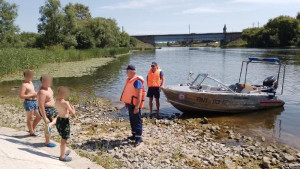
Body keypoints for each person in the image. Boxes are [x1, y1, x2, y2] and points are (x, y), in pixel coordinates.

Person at [120, 65, 146, 147]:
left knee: (137, 121)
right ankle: (134, 135)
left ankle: (139, 138)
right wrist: (126, 103)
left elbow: (140, 95)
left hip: (135, 105)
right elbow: (129, 92)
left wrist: (137, 107)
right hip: (130, 104)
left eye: (127, 71)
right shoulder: (129, 80)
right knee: (132, 120)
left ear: (131, 72)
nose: (126, 73)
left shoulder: (137, 81)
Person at [55, 86, 75, 162]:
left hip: (59, 120)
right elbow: (72, 113)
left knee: (63, 137)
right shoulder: (65, 103)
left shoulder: (56, 100)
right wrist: (73, 108)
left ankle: (63, 152)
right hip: (64, 122)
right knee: (64, 139)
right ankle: (62, 156)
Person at [19, 70, 41, 136]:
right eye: (31, 76)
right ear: (27, 76)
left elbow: (32, 91)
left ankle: (31, 129)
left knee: (39, 117)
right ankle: (31, 132)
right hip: (28, 102)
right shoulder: (24, 85)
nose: (32, 77)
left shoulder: (31, 82)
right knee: (30, 118)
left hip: (34, 101)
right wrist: (32, 95)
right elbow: (21, 96)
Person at [37, 75, 58, 147]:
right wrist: (44, 117)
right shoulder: (42, 92)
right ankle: (47, 142)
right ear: (43, 82)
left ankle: (50, 125)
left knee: (59, 116)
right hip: (46, 110)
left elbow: (51, 98)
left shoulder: (49, 88)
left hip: (52, 108)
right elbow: (41, 105)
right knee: (47, 124)